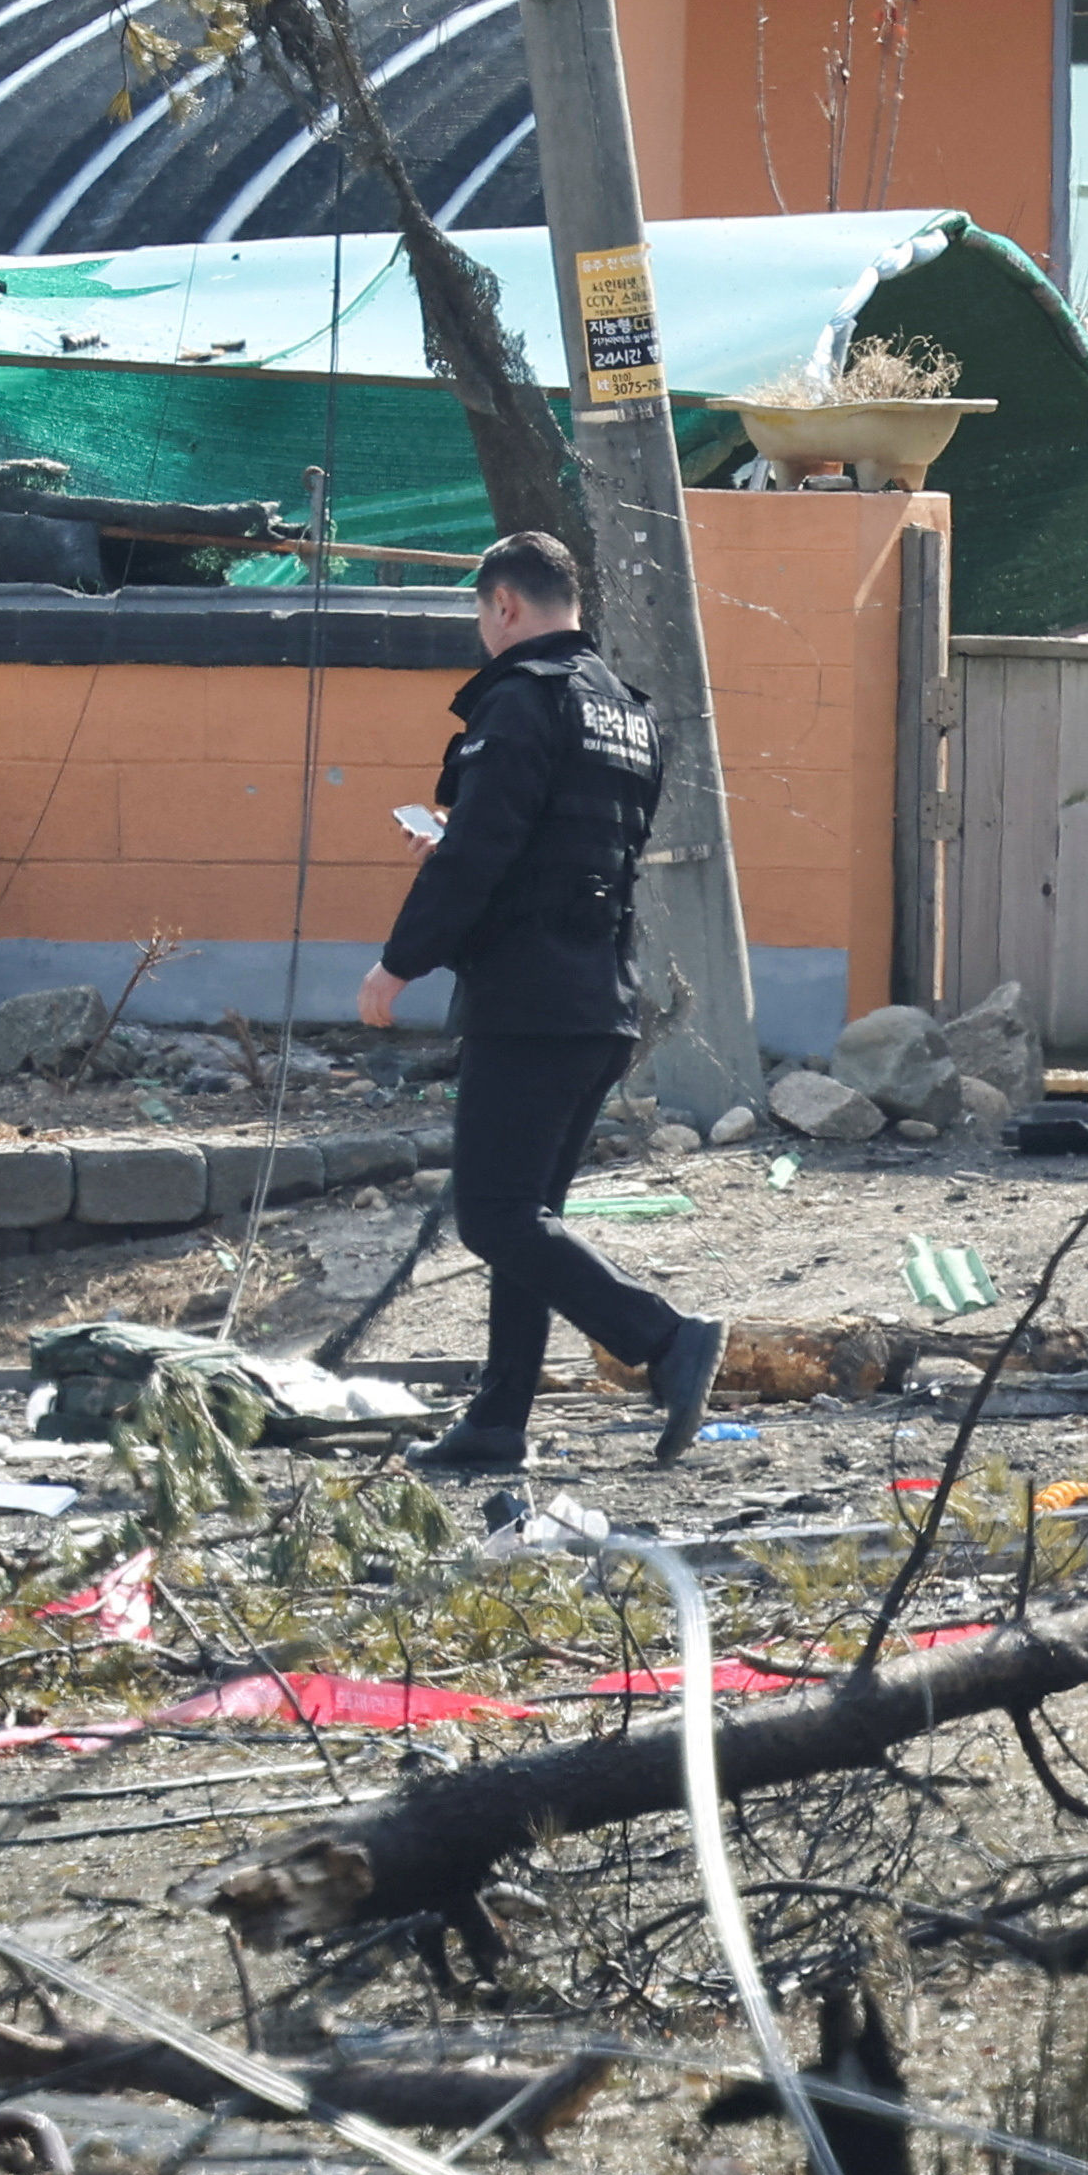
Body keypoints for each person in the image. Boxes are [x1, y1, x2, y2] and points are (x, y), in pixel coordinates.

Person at [357, 528, 724, 1475]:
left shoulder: (520, 703)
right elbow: (561, 847)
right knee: (528, 1222)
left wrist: (397, 967)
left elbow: (482, 859)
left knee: (492, 1217)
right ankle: (496, 1421)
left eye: (481, 615)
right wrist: (462, 843)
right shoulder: (627, 713)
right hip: (600, 994)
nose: (482, 632)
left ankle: (662, 1339)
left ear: (504, 606)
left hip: (527, 998)